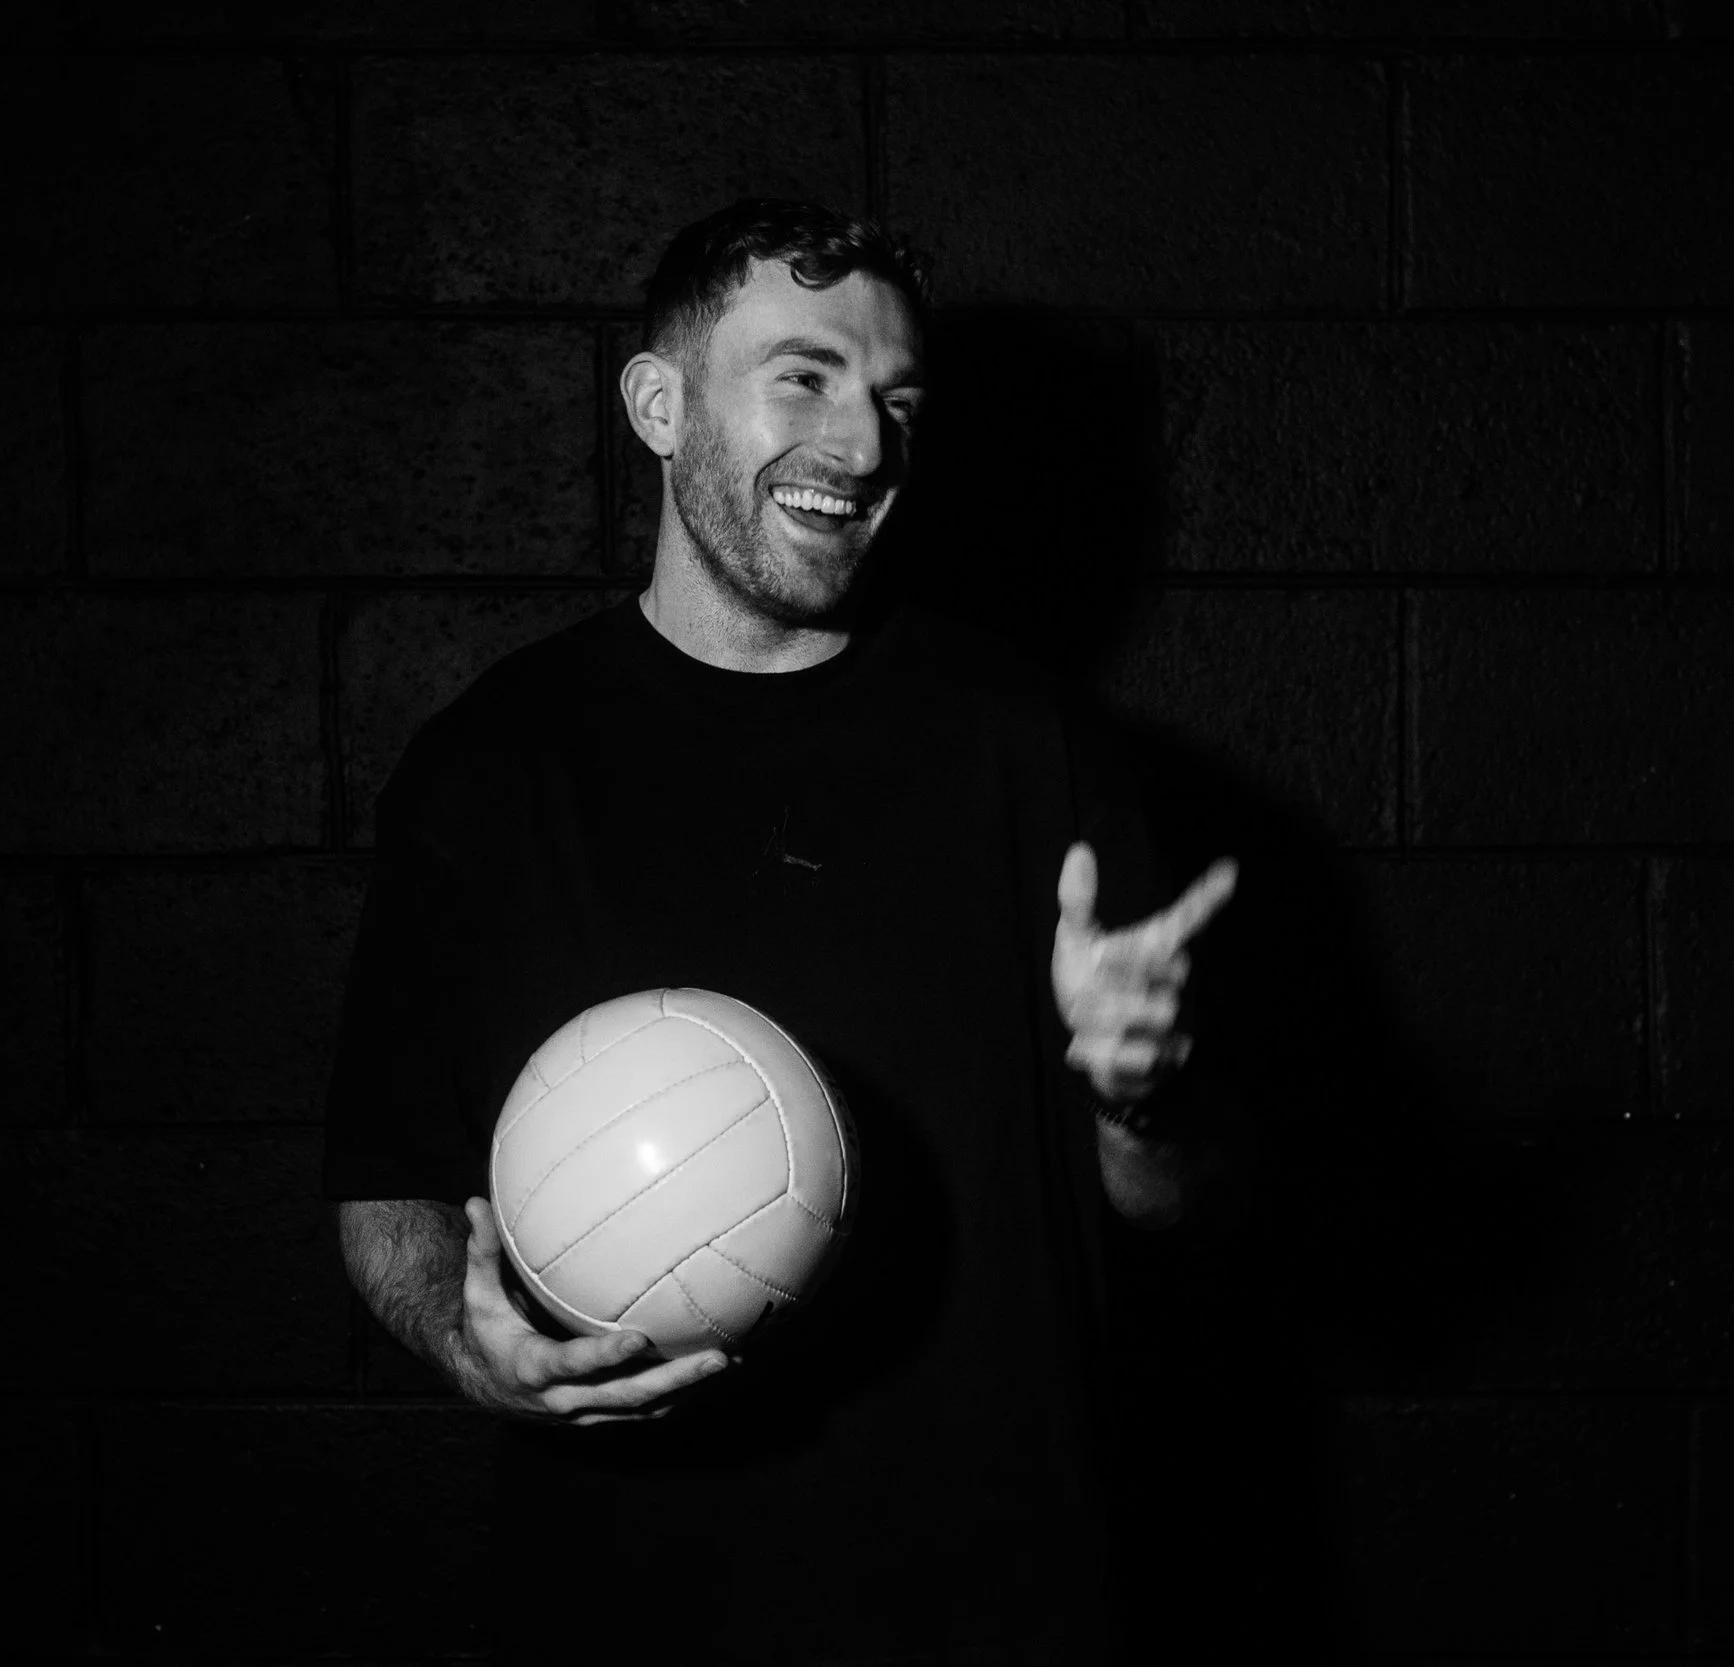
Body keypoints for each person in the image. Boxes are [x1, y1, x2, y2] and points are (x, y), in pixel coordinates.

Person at [324, 198, 1239, 1665]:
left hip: (1002, 1595)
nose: (866, 446)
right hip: (630, 1597)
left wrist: (1142, 1092)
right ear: (658, 402)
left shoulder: (1029, 747)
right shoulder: (494, 766)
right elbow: (386, 1187)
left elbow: (1173, 1200)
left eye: (897, 400)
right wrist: (463, 1342)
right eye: (803, 376)